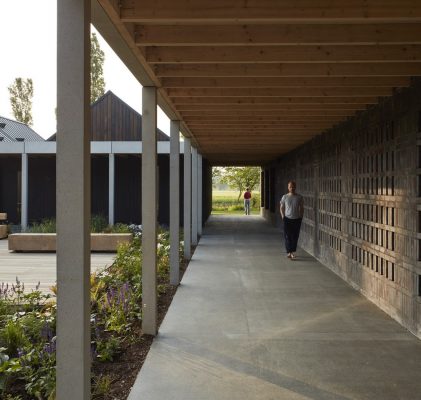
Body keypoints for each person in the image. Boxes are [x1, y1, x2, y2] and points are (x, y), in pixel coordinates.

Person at [280, 181, 304, 260]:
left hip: (296, 219)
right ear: (288, 187)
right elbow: (281, 207)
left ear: (295, 187)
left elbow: (302, 207)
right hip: (287, 219)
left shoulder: (299, 197)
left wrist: (301, 217)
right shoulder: (285, 197)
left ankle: (291, 252)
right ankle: (290, 252)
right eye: (290, 187)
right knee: (287, 236)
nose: (292, 188)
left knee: (295, 236)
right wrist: (283, 216)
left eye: (293, 186)